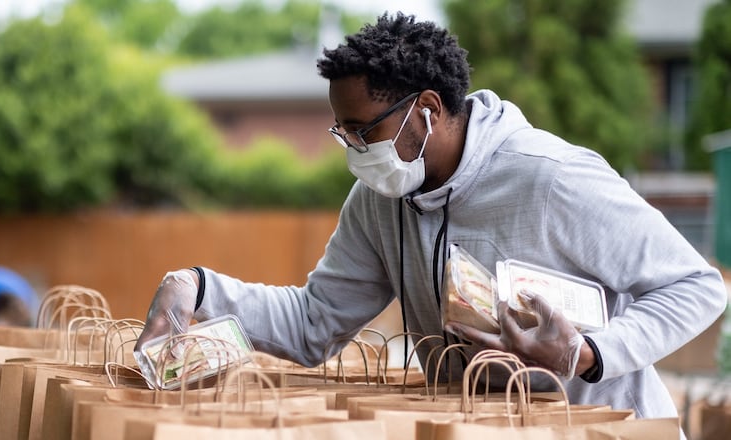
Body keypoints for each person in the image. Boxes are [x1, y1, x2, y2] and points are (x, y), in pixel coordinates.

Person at [136, 11, 727, 431]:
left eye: (365, 130)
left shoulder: (551, 178)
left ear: (428, 109)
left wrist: (591, 353)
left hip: (603, 426)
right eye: (343, 132)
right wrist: (200, 287)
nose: (353, 148)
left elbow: (696, 287)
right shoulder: (378, 198)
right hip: (482, 427)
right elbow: (316, 321)